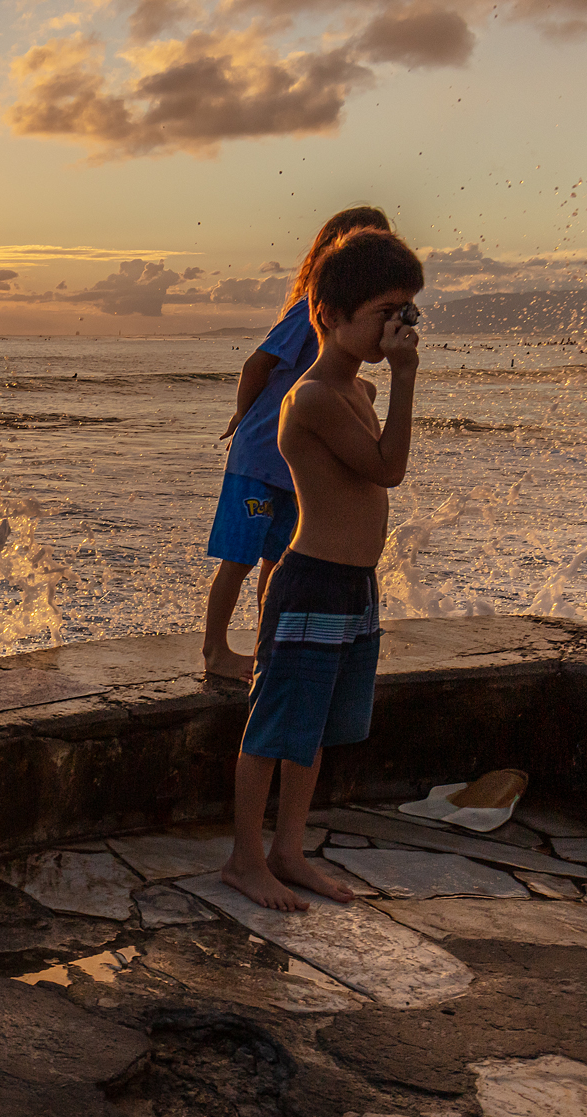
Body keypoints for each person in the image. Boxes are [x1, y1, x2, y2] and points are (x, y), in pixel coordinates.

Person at [222, 226, 425, 912]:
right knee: (273, 728)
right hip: (310, 581)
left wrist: (389, 381)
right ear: (330, 315)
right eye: (384, 313)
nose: (397, 327)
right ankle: (245, 859)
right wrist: (406, 378)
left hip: (352, 587)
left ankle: (288, 850)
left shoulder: (357, 392)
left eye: (406, 312)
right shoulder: (310, 399)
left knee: (309, 733)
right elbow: (389, 469)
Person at [201, 206, 392, 681]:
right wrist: (243, 417)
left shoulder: (350, 323)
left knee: (279, 562)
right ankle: (215, 651)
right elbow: (256, 365)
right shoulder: (310, 311)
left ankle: (269, 647)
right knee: (238, 560)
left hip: (293, 466)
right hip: (258, 459)